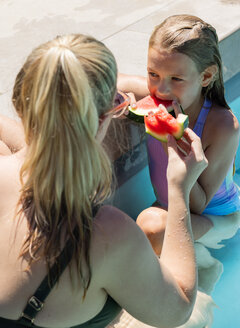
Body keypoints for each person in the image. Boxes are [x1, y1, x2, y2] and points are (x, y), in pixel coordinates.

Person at [0, 34, 208, 328]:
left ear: (20, 103)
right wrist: (179, 191)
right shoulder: (108, 232)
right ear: (101, 119)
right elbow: (177, 311)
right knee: (202, 309)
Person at [118, 14, 240, 256]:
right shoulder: (163, 94)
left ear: (205, 77)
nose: (160, 89)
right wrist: (118, 100)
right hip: (170, 207)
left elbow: (198, 204)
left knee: (151, 226)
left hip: (215, 218)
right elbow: (110, 79)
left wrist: (170, 142)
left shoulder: (223, 126)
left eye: (176, 78)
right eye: (153, 74)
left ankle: (204, 271)